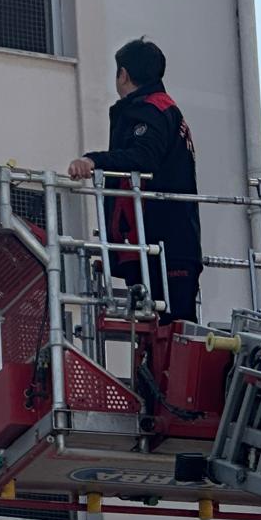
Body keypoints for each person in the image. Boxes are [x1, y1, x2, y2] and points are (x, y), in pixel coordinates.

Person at [67, 37, 202, 322]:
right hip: (166, 244)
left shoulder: (150, 111)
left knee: (171, 335)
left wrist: (94, 161)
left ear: (123, 74)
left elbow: (143, 158)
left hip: (160, 246)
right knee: (165, 338)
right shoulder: (165, 110)